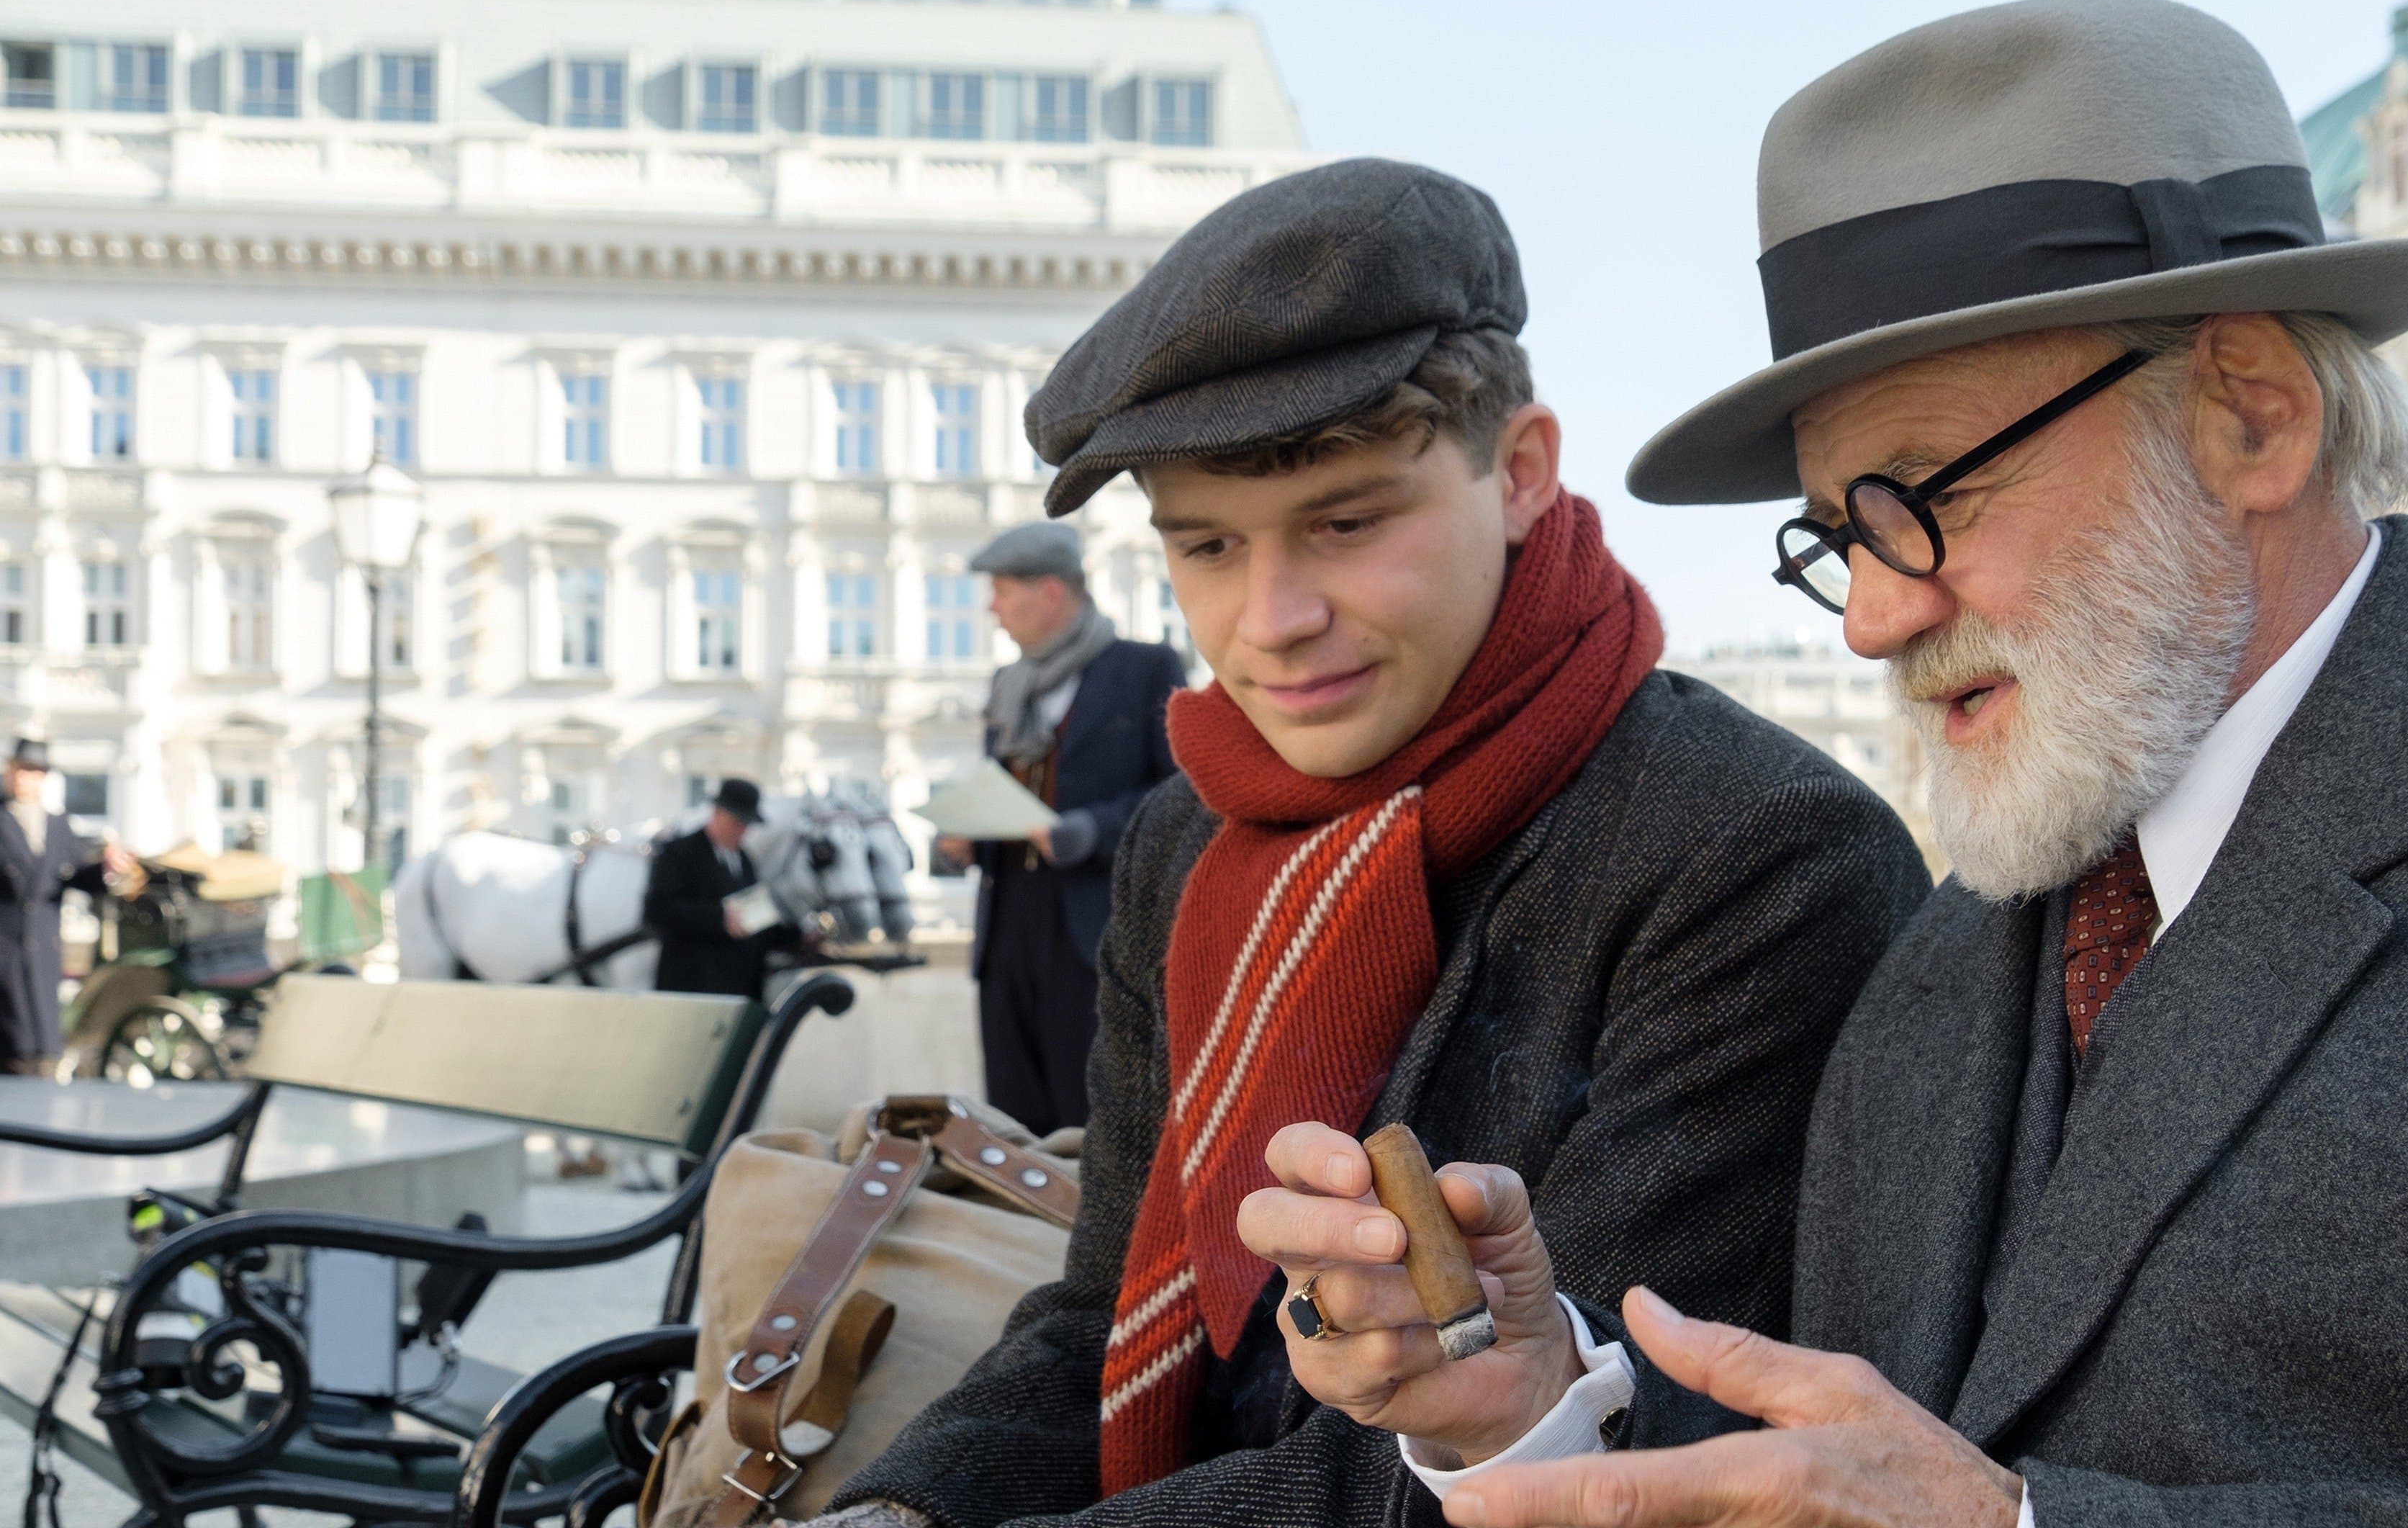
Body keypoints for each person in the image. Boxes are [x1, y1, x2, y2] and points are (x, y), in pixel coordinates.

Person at [1241, 0, 2408, 1528]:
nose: (1876, 619)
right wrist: (1535, 1411)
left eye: (1923, 501)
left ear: (2252, 416)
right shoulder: (1944, 964)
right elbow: (1850, 1474)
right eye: (1839, 539)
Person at [814, 158, 1928, 1528]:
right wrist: (903, 1507)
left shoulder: (1763, 857)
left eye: (1344, 524)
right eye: (1206, 548)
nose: (1270, 618)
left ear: (1520, 473)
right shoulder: (1184, 837)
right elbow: (1099, 1315)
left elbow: (1595, 1451)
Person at [936, 521, 1186, 1136]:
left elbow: (1182, 797)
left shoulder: (1145, 668)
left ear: (1050, 591)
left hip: (1094, 929)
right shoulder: (1007, 685)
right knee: (1013, 1116)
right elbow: (997, 785)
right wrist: (956, 840)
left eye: (1003, 591)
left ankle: (1096, 1234)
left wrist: (1090, 830)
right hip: (1007, 929)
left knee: (1095, 1118)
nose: (992, 608)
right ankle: (1027, 1235)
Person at [0, 738, 137, 1074]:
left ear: (43, 778)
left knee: (44, 1042)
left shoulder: (57, 825)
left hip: (44, 946)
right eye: (19, 770)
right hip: (6, 947)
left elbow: (77, 875)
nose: (23, 779)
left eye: (32, 772)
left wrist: (106, 868)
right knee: (12, 1043)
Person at [644, 778, 795, 1000]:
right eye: (737, 822)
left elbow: (758, 923)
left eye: (746, 825)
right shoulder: (679, 853)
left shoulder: (744, 860)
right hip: (693, 989)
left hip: (738, 991)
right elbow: (657, 911)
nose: (742, 831)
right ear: (717, 813)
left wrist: (799, 936)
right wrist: (719, 917)